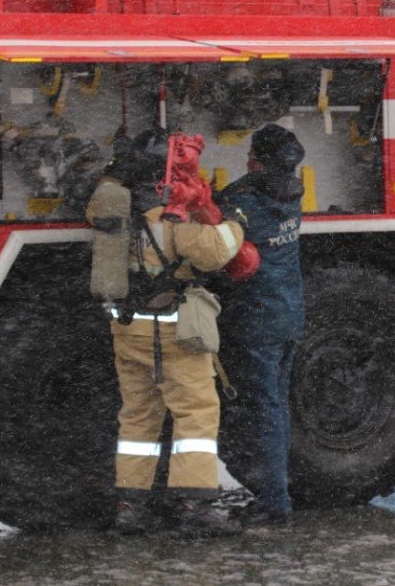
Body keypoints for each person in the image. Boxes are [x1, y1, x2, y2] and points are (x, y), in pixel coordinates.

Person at [87, 128, 246, 537]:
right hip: (175, 327)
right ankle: (194, 506)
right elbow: (215, 254)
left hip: (128, 326)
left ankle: (130, 508)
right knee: (195, 415)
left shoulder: (113, 206)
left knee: (138, 419)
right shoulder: (175, 214)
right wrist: (235, 223)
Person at [216, 124, 306, 526]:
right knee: (277, 408)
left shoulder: (245, 202)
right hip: (287, 314)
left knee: (265, 411)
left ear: (259, 160)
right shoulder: (290, 195)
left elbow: (216, 240)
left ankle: (274, 503)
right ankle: (278, 492)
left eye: (252, 153)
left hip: (258, 319)